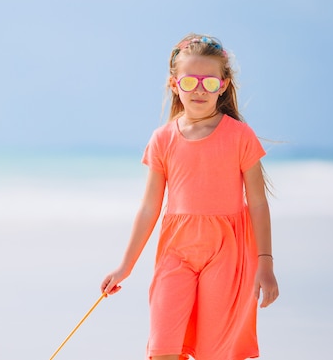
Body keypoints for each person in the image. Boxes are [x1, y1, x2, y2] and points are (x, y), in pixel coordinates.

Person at [100, 34, 279, 360]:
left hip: (227, 251)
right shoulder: (162, 139)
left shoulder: (239, 136)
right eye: (190, 80)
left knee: (214, 351)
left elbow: (257, 202)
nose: (199, 89)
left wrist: (265, 264)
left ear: (223, 85)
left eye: (209, 82)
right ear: (173, 83)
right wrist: (125, 266)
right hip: (176, 251)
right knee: (164, 347)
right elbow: (149, 207)